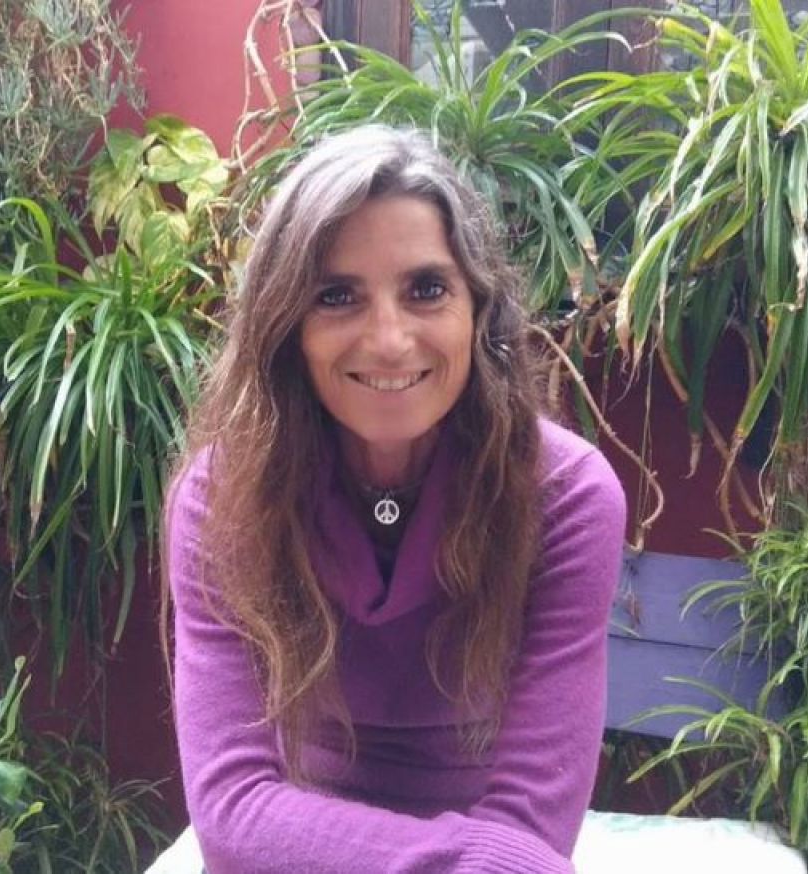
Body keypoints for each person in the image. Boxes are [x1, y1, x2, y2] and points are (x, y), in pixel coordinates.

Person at [163, 125, 627, 873]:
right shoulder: (220, 501)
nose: (388, 340)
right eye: (337, 296)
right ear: (286, 328)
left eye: (427, 290)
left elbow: (532, 824)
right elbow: (233, 811)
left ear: (480, 311)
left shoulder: (567, 499)